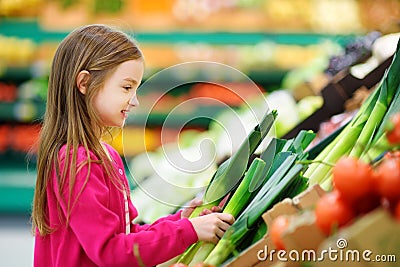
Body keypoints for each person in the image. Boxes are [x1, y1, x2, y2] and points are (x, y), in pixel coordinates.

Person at [31, 24, 234, 267]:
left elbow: (127, 234)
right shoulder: (76, 162)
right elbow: (109, 252)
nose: (135, 101)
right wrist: (187, 231)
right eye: (127, 87)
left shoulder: (107, 156)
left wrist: (183, 220)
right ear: (84, 83)